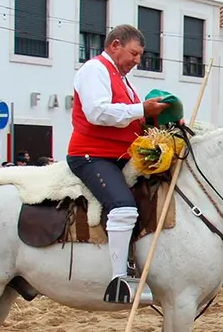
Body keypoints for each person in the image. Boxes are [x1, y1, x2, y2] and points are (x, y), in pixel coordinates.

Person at [66, 24, 173, 304]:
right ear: (115, 45)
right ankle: (119, 278)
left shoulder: (123, 79)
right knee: (123, 206)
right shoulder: (94, 69)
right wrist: (142, 109)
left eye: (140, 55)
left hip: (122, 156)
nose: (137, 60)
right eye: (134, 53)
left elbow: (135, 118)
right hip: (91, 155)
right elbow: (97, 111)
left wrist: (163, 118)